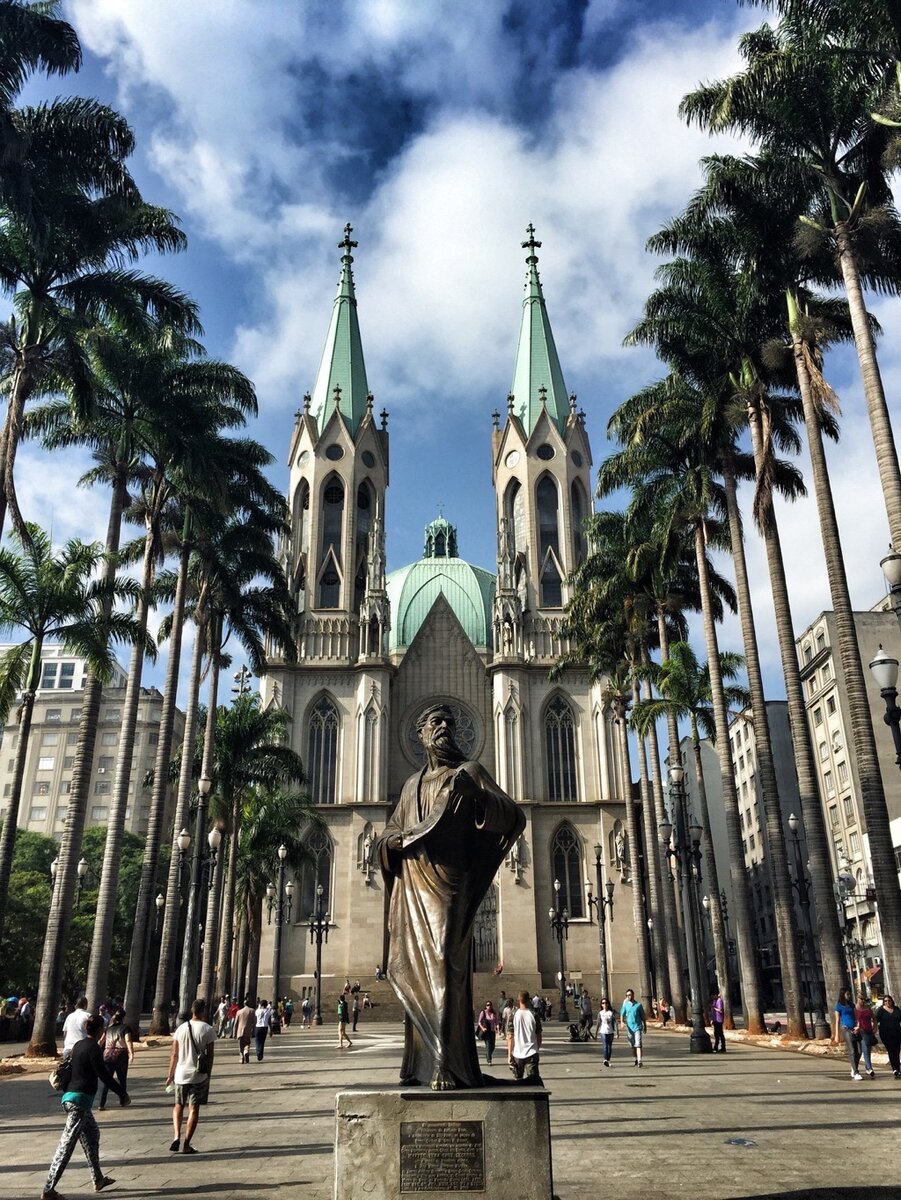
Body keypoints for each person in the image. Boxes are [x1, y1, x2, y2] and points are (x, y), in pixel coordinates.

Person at [377, 703, 525, 1089]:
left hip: (449, 882)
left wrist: (476, 796)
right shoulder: (410, 785)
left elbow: (513, 815)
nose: (444, 727)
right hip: (413, 882)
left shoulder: (469, 771)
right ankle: (418, 1065)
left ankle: (447, 1062)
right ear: (420, 733)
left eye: (449, 722)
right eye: (435, 722)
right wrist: (389, 842)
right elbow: (392, 828)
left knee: (443, 964)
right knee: (414, 969)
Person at [42, 1013, 129, 1199]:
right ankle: (48, 1189)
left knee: (92, 1134)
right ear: (99, 1031)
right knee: (66, 1145)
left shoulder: (78, 1045)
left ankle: (98, 1179)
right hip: (78, 1102)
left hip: (72, 1099)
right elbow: (104, 1076)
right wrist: (122, 1093)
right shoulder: (93, 1049)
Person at [165, 998, 216, 1153]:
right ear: (203, 1011)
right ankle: (186, 1144)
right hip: (198, 1075)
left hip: (180, 1074)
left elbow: (174, 1054)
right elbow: (210, 1055)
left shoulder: (181, 1029)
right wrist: (209, 1073)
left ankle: (176, 1137)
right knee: (193, 1109)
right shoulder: (207, 1029)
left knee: (178, 1105)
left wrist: (170, 1075)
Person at [98, 1008, 134, 1110]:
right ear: (124, 1017)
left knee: (107, 1079)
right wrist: (131, 1054)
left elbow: (101, 1041)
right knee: (122, 1079)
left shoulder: (108, 1028)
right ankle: (123, 1100)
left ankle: (102, 1103)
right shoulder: (125, 1028)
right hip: (120, 1054)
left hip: (108, 1054)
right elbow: (128, 1041)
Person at [506, 989, 543, 1084]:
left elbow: (510, 1036)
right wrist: (536, 1048)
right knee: (534, 1082)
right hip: (532, 1052)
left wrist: (509, 1054)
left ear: (518, 1000)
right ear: (528, 1000)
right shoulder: (534, 1014)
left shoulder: (514, 1015)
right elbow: (539, 1034)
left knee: (518, 1082)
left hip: (517, 1053)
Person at [834, 987, 862, 1080]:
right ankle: (856, 1072)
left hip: (855, 1029)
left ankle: (854, 1067)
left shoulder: (852, 1005)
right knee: (852, 1050)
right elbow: (837, 1020)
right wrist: (837, 1035)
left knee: (859, 1051)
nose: (849, 996)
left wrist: (858, 1026)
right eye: (847, 994)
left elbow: (856, 1017)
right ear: (843, 995)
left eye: (849, 994)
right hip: (846, 1029)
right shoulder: (838, 1006)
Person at [875, 994, 901, 1079]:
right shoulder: (881, 1010)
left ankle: (897, 1068)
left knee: (897, 1050)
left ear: (891, 1001)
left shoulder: (896, 1009)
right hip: (886, 1034)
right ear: (883, 1002)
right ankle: (894, 1068)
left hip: (897, 1033)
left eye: (889, 1000)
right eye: (885, 1001)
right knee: (891, 1050)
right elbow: (875, 1020)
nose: (887, 1002)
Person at [620, 988, 647, 1067]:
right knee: (632, 1046)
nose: (629, 996)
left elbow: (643, 1017)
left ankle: (639, 1060)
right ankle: (636, 1058)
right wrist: (622, 1022)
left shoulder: (638, 1005)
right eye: (627, 995)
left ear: (633, 995)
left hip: (638, 1027)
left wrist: (645, 1026)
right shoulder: (626, 1005)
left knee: (638, 1044)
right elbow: (622, 1014)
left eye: (630, 995)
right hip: (629, 1028)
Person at [855, 992, 877, 1079]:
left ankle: (866, 1067)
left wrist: (875, 1028)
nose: (863, 1000)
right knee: (863, 1050)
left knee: (867, 1050)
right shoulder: (855, 1009)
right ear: (857, 998)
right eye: (861, 998)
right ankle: (868, 1068)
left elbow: (874, 1019)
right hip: (860, 1031)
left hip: (869, 1031)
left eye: (864, 999)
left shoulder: (868, 1009)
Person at [595, 997, 617, 1067]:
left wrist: (617, 1033)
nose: (604, 1004)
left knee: (609, 1046)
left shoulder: (611, 1013)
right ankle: (605, 1059)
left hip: (610, 1032)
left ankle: (608, 1060)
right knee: (605, 1046)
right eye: (603, 1003)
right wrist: (595, 1033)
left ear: (608, 1004)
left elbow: (615, 1023)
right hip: (603, 1032)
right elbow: (598, 1023)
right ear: (601, 1005)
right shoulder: (600, 1013)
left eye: (606, 1003)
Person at [233, 997, 255, 1064]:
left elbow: (235, 1023)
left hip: (239, 1031)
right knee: (247, 1044)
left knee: (240, 1045)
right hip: (248, 1031)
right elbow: (254, 1022)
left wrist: (234, 1033)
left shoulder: (239, 1012)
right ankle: (246, 1051)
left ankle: (241, 1057)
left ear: (244, 1004)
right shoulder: (252, 1011)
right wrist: (253, 1031)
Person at [477, 1000, 499, 1066]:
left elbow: (496, 1021)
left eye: (490, 1005)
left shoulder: (493, 1013)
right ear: (486, 1006)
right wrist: (482, 1028)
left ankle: (487, 1054)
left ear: (491, 1006)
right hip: (486, 1032)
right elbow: (479, 1022)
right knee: (488, 1046)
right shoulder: (483, 1013)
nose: (488, 1006)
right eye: (487, 1005)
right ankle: (489, 1060)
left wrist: (497, 1027)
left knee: (493, 1046)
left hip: (492, 1031)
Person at [710, 989, 726, 1053]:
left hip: (719, 1019)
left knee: (720, 1033)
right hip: (715, 1019)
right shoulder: (714, 1001)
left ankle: (723, 1047)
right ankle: (716, 1047)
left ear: (716, 995)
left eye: (713, 996)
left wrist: (714, 1008)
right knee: (716, 1034)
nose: (712, 997)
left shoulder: (719, 1001)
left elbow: (720, 1010)